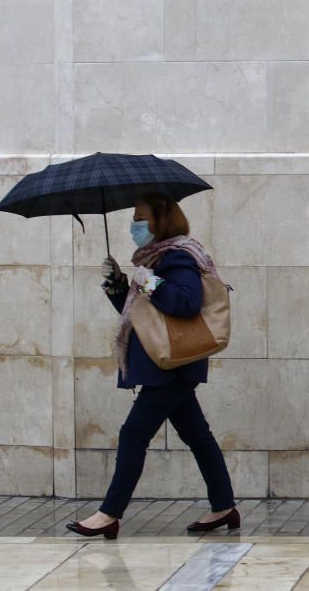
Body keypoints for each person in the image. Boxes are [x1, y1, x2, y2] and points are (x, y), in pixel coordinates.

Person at [67, 193, 238, 539]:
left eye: (140, 217)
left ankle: (109, 514)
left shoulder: (176, 256)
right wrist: (118, 285)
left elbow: (187, 303)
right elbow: (146, 318)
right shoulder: (158, 257)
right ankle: (224, 507)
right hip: (171, 364)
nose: (135, 225)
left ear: (161, 219)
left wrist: (147, 281)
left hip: (172, 366)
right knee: (197, 435)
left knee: (134, 434)